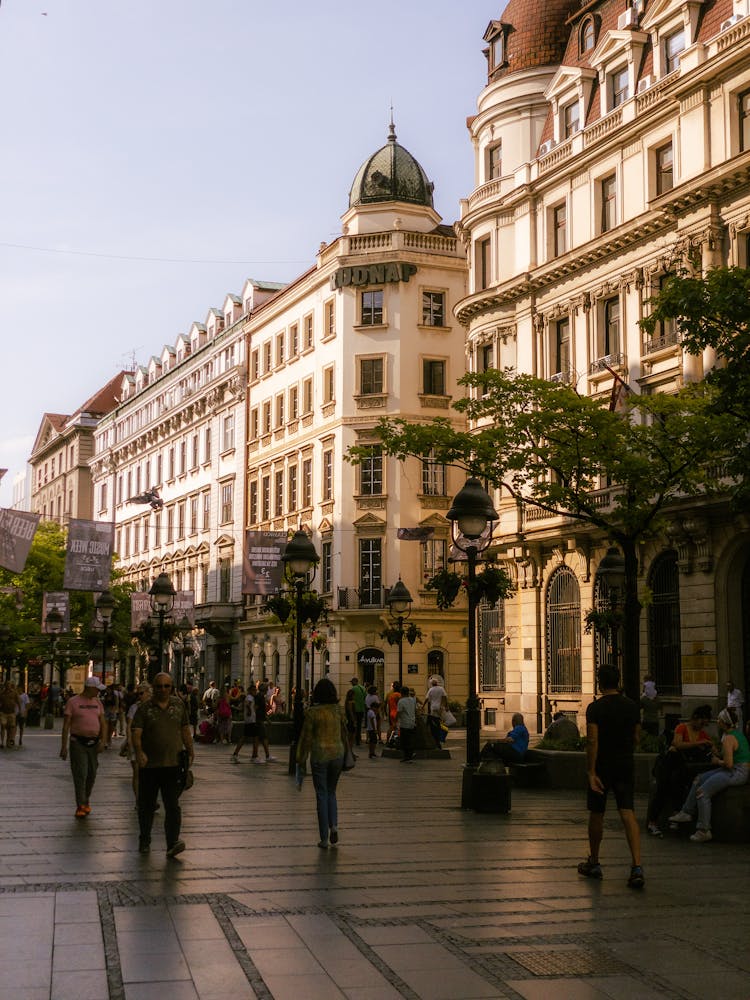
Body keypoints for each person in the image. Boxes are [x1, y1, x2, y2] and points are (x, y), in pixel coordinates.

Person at [578, 664, 644, 889]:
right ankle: (636, 866)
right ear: (618, 682)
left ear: (600, 682)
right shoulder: (632, 706)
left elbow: (592, 741)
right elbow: (637, 737)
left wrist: (591, 771)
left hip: (603, 766)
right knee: (628, 813)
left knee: (597, 813)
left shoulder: (595, 708)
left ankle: (594, 862)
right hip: (625, 764)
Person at [131, 672, 194, 857]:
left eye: (167, 686)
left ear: (171, 687)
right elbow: (136, 733)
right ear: (153, 687)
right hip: (149, 766)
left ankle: (172, 842)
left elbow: (184, 729)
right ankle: (144, 839)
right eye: (159, 686)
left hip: (173, 764)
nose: (163, 690)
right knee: (146, 806)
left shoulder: (178, 705)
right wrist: (139, 752)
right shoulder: (144, 708)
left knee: (173, 805)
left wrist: (190, 749)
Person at [669, 707, 750, 842]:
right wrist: (716, 753)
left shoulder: (728, 738)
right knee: (699, 778)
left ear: (724, 722)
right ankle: (686, 812)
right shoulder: (737, 734)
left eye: (718, 719)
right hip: (735, 770)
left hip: (736, 772)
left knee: (702, 792)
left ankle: (704, 829)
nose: (716, 721)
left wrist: (717, 761)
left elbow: (729, 764)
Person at [646, 705, 713, 836]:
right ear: (695, 718)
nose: (701, 727)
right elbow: (677, 743)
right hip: (670, 763)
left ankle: (677, 814)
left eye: (704, 725)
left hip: (682, 767)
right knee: (662, 788)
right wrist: (698, 743)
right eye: (701, 723)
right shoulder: (682, 728)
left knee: (679, 784)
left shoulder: (702, 734)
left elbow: (710, 748)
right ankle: (652, 822)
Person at [296, 677, 347, 848]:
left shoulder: (313, 712)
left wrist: (301, 759)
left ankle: (324, 838)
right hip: (338, 755)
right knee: (331, 792)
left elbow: (306, 738)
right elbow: (345, 733)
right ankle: (334, 826)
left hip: (320, 756)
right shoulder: (338, 711)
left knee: (321, 794)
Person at [60, 676, 106, 818]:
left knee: (91, 774)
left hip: (94, 743)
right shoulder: (73, 702)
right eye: (97, 689)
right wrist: (64, 746)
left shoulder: (98, 702)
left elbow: (103, 722)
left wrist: (103, 741)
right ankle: (80, 805)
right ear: (90, 688)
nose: (98, 691)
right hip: (78, 742)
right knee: (81, 774)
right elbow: (66, 724)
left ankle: (85, 799)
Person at [231, 682, 258, 762]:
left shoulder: (248, 697)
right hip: (251, 721)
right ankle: (254, 756)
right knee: (254, 737)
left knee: (245, 737)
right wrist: (250, 711)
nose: (255, 692)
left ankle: (236, 754)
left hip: (249, 720)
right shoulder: (250, 697)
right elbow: (247, 705)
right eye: (255, 691)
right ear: (251, 691)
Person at [252, 682, 276, 763]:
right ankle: (258, 756)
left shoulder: (260, 696)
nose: (268, 689)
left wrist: (267, 719)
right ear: (265, 689)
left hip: (259, 719)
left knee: (260, 738)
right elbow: (256, 708)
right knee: (260, 738)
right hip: (258, 720)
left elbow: (261, 710)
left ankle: (264, 755)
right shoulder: (260, 697)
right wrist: (255, 718)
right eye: (267, 688)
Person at [422, 677, 449, 750]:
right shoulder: (441, 689)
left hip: (433, 708)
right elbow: (445, 697)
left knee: (434, 723)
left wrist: (423, 706)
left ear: (431, 684)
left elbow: (427, 699)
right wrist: (446, 706)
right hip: (440, 708)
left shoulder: (431, 690)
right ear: (437, 683)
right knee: (440, 722)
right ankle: (440, 736)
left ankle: (436, 736)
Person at [396, 685, 417, 762]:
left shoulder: (401, 701)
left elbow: (398, 712)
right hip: (412, 722)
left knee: (404, 740)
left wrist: (395, 721)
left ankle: (407, 756)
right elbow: (415, 710)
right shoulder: (412, 700)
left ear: (401, 693)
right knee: (410, 739)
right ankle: (410, 754)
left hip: (404, 723)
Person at [0, 681, 21, 749]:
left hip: (12, 712)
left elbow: (18, 701)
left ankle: (8, 742)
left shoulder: (14, 693)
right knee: (3, 726)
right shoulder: (2, 693)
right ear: (5, 686)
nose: (8, 686)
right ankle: (2, 742)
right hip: (3, 712)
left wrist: (20, 710)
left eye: (9, 685)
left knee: (10, 727)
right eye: (6, 685)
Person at [350, 677, 367, 746]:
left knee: (354, 724)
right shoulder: (363, 688)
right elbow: (365, 697)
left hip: (355, 709)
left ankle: (355, 739)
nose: (351, 683)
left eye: (352, 682)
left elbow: (351, 699)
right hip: (362, 709)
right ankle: (358, 738)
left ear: (355, 682)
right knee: (359, 724)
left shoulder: (353, 689)